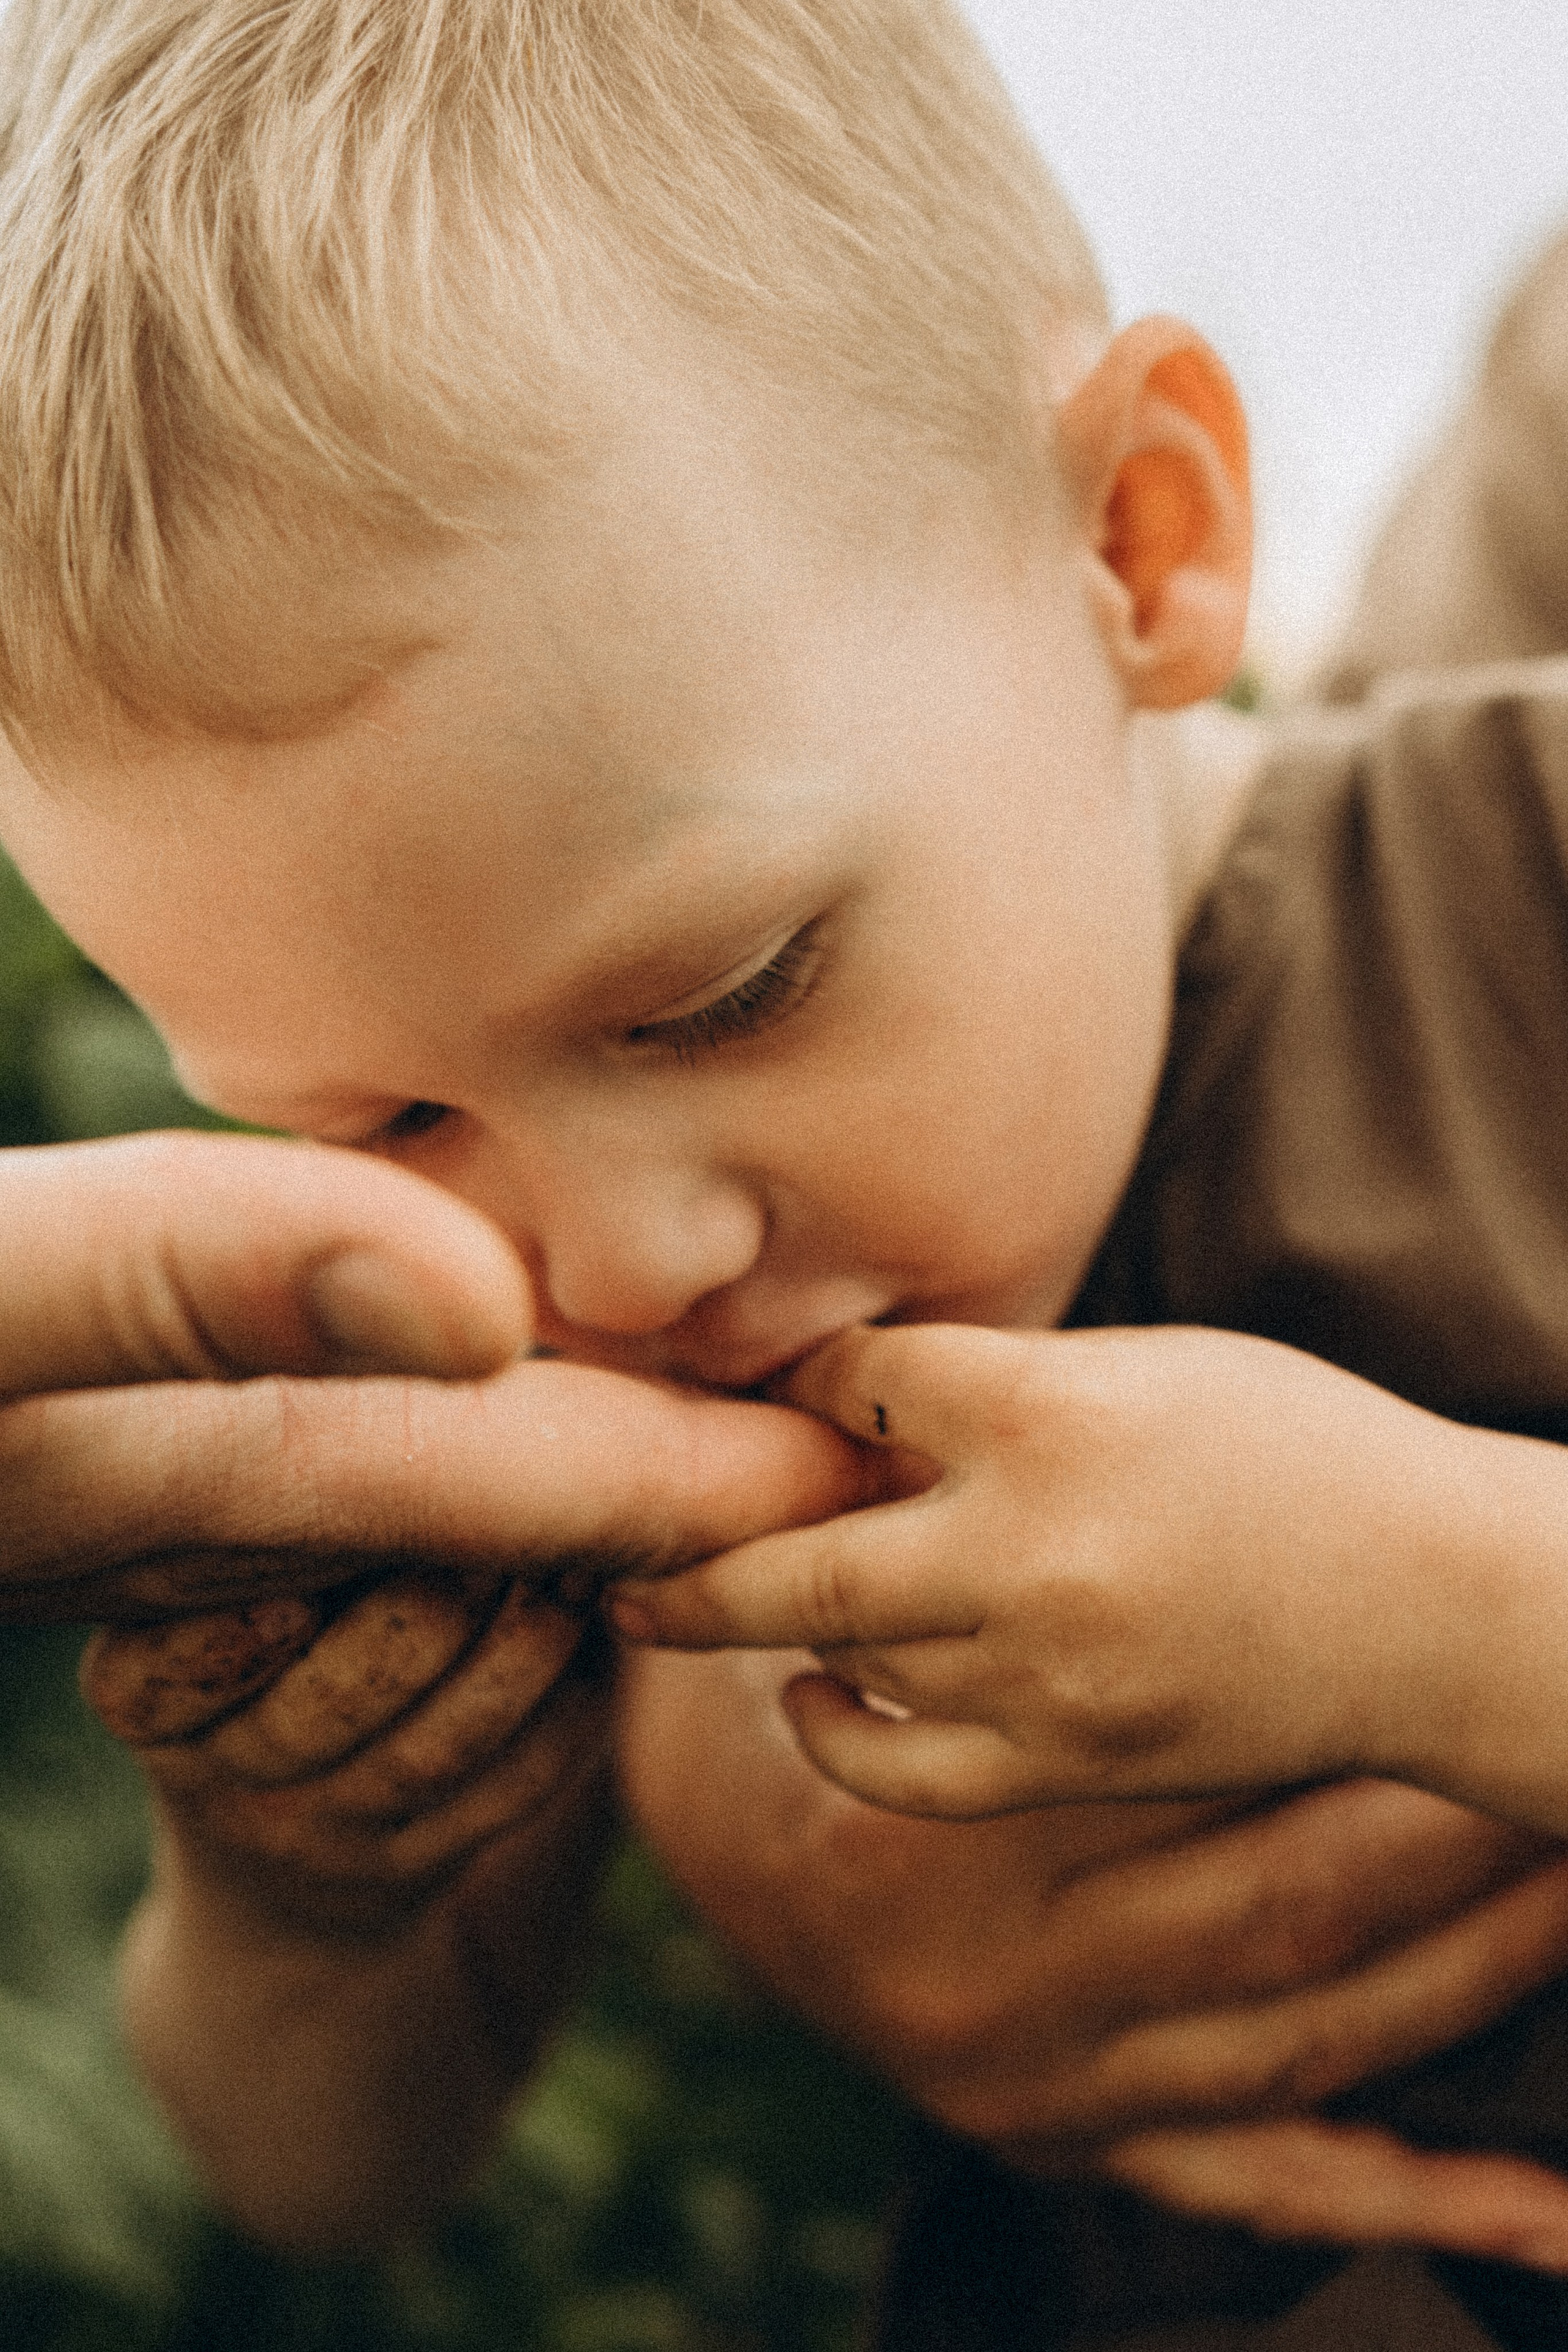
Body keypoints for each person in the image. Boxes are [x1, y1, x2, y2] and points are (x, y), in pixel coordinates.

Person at [0, 2, 1566, 2345]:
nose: (620, 1263)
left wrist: (1436, 1606)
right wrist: (303, 1900)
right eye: (380, 1120)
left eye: (730, 994)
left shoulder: (1518, 893)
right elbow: (322, 2167)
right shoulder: (469, 1342)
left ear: (1137, 543)